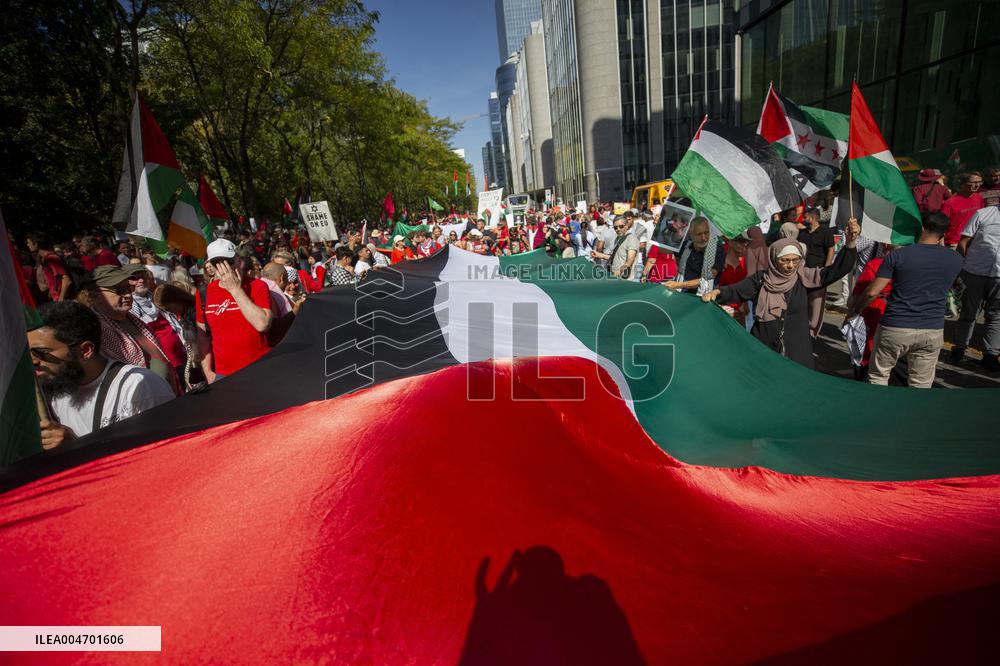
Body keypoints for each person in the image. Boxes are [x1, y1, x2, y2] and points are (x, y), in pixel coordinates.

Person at [703, 218, 861, 369]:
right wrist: (717, 292)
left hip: (796, 354)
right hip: (763, 351)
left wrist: (850, 244)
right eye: (785, 260)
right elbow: (737, 290)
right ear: (774, 258)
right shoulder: (762, 279)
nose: (791, 265)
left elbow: (836, 270)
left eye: (795, 260)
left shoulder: (804, 278)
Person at [29, 301, 174, 447]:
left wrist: (75, 446)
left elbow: (164, 451)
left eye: (41, 353)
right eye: (28, 353)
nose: (33, 361)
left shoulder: (138, 386)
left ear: (85, 350)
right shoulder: (58, 393)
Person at [849, 212, 963, 388]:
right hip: (932, 328)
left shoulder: (898, 255)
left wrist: (856, 310)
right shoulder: (956, 259)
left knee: (878, 376)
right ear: (944, 234)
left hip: (896, 325)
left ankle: (875, 404)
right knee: (921, 383)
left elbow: (872, 292)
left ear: (921, 228)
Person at [85, 265, 181, 396]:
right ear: (95, 296)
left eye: (128, 288)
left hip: (168, 395)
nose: (127, 295)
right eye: (119, 290)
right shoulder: (96, 332)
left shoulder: (132, 319)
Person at [196, 238, 273, 380]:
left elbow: (262, 324)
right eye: (217, 263)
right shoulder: (204, 292)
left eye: (228, 261)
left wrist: (235, 290)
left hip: (260, 368)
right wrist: (208, 372)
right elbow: (202, 336)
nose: (223, 267)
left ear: (238, 260)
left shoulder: (257, 286)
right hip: (224, 374)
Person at [952, 204, 1000, 370]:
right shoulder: (983, 214)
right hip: (974, 271)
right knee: (968, 312)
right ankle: (959, 348)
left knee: (996, 315)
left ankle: (991, 354)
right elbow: (963, 241)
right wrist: (960, 266)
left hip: (999, 276)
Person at [126, 264, 188, 388]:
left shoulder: (158, 298)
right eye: (135, 278)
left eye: (143, 276)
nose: (141, 280)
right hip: (160, 368)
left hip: (181, 358)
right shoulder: (128, 309)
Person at [797, 207, 837, 337]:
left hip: (818, 272)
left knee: (816, 303)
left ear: (812, 218)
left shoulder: (825, 232)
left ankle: (811, 330)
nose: (803, 219)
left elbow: (831, 249)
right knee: (802, 300)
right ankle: (800, 327)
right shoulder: (802, 233)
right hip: (802, 271)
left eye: (805, 217)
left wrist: (826, 268)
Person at [664, 217, 725, 294]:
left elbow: (707, 279)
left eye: (706, 232)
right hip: (681, 293)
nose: (704, 238)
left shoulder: (718, 250)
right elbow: (665, 250)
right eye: (699, 234)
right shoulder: (685, 245)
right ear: (691, 235)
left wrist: (679, 285)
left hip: (704, 297)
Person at [26, 233, 74, 302]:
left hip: (64, 302)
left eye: (29, 242)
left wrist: (60, 301)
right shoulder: (46, 259)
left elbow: (67, 281)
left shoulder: (51, 258)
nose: (27, 245)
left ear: (36, 244)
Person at [941, 172, 984, 247]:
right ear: (962, 183)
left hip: (975, 241)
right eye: (973, 182)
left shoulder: (979, 198)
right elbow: (941, 225)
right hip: (955, 243)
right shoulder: (949, 203)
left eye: (979, 182)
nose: (977, 185)